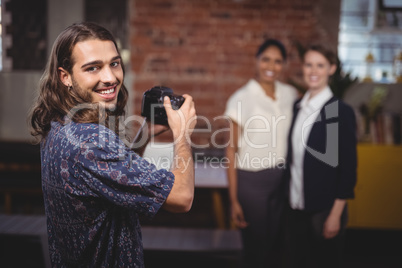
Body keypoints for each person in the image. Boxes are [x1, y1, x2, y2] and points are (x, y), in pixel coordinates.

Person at [29, 22, 197, 267]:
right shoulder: (90, 142)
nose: (110, 78)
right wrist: (183, 134)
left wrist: (145, 135)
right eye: (92, 68)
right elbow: (182, 197)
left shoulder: (59, 123)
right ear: (65, 76)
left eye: (114, 64)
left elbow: (114, 177)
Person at [224, 39, 298, 267]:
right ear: (257, 61)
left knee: (279, 245)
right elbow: (231, 149)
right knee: (257, 248)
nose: (271, 66)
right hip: (251, 182)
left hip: (283, 180)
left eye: (277, 61)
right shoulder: (241, 98)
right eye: (266, 59)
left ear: (284, 65)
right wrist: (234, 199)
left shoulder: (291, 94)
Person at [284, 44, 357, 268]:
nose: (313, 71)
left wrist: (335, 214)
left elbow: (348, 168)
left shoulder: (339, 111)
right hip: (295, 207)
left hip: (324, 210)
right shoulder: (297, 107)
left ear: (331, 69)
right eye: (308, 65)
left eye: (320, 65)